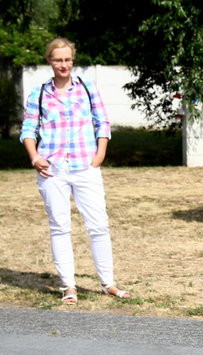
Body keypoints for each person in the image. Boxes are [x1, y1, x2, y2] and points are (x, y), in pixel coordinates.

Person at [19, 37, 131, 304]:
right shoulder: (40, 93)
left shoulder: (88, 88)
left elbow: (102, 122)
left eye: (67, 59)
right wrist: (35, 157)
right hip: (52, 170)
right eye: (58, 59)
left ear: (73, 60)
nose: (63, 64)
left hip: (85, 166)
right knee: (60, 227)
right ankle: (69, 286)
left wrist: (100, 154)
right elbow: (28, 130)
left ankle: (108, 283)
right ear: (50, 61)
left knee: (99, 226)